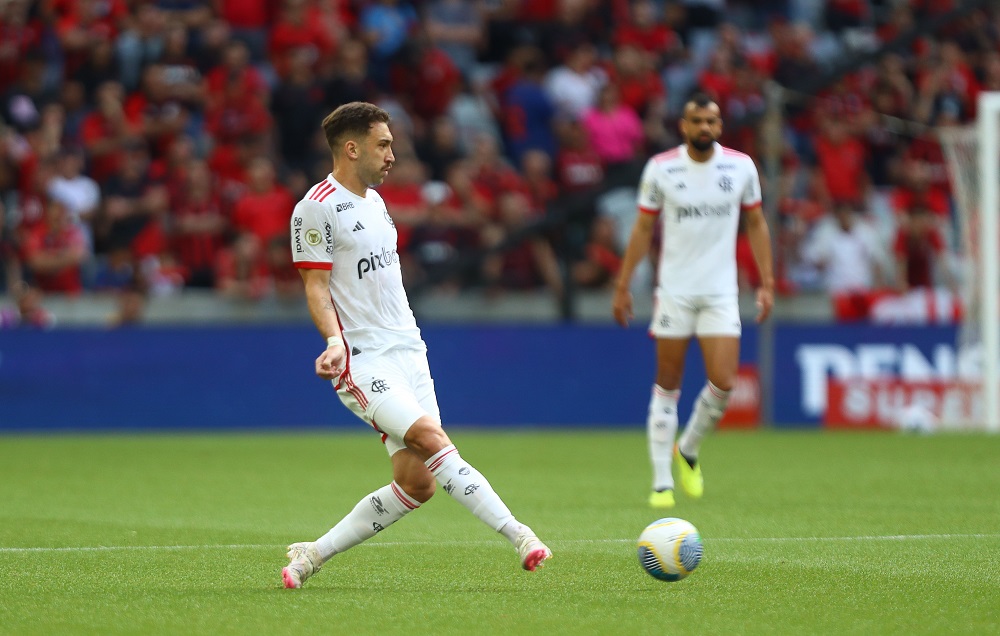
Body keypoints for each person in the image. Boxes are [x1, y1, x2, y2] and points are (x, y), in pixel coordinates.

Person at [282, 102, 551, 589]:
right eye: (383, 144)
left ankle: (312, 554)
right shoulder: (316, 207)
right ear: (351, 147)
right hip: (362, 359)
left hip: (410, 352)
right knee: (432, 439)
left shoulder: (377, 204)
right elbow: (316, 287)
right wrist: (333, 342)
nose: (392, 155)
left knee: (417, 483)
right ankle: (521, 535)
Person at [612, 93, 774, 509]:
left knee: (724, 382)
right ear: (683, 126)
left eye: (712, 122)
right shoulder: (662, 168)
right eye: (697, 121)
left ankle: (687, 449)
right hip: (675, 291)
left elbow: (756, 223)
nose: (705, 128)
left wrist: (767, 281)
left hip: (721, 291)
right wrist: (623, 284)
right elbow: (642, 231)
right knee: (667, 385)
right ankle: (661, 482)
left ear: (720, 127)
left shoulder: (740, 167)